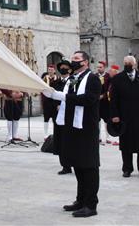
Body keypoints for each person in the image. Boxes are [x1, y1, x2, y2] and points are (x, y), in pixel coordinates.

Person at [44, 50, 101, 218]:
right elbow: (65, 98)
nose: (72, 61)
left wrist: (64, 97)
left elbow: (89, 99)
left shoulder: (93, 79)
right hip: (72, 127)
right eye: (73, 58)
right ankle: (81, 199)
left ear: (85, 62)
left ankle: (91, 204)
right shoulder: (72, 79)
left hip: (86, 128)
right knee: (78, 165)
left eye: (76, 59)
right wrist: (54, 94)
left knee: (89, 166)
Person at [109, 55, 139, 178]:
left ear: (135, 65)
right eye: (125, 63)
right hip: (125, 116)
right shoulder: (118, 79)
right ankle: (127, 168)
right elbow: (113, 99)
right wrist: (114, 115)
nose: (127, 65)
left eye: (129, 63)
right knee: (126, 143)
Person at [50, 60, 73, 175]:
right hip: (58, 115)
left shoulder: (73, 81)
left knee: (69, 140)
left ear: (69, 69)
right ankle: (65, 165)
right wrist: (56, 105)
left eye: (65, 67)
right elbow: (52, 97)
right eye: (61, 67)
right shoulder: (56, 83)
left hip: (69, 115)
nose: (63, 69)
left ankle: (72, 162)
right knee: (60, 140)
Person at [95, 61, 111, 145]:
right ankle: (98, 137)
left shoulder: (108, 76)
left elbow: (109, 88)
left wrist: (103, 96)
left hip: (105, 102)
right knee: (97, 120)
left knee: (107, 120)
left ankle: (108, 137)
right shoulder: (94, 76)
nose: (99, 69)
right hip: (97, 102)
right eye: (98, 67)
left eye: (100, 67)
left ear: (104, 67)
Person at [40, 65, 57, 139]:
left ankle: (55, 133)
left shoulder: (58, 78)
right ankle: (45, 134)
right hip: (46, 100)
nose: (50, 71)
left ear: (54, 70)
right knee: (46, 118)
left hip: (54, 100)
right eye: (49, 70)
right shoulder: (44, 78)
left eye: (51, 70)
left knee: (55, 118)